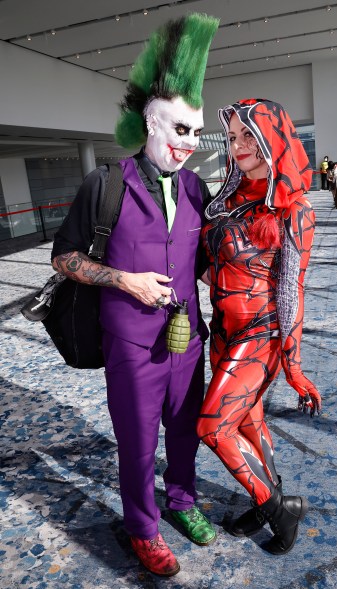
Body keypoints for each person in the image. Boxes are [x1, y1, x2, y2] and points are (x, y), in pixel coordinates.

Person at [51, 13, 219, 577]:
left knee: (185, 434)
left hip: (187, 341)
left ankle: (182, 501)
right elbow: (64, 258)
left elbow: (207, 258)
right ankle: (143, 528)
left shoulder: (196, 187)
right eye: (180, 130)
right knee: (138, 443)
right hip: (129, 346)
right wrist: (125, 280)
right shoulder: (106, 184)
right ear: (151, 124)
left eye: (196, 133)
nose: (189, 145)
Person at [197, 98, 321, 556]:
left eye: (248, 134)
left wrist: (294, 366)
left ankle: (276, 509)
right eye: (231, 137)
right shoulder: (226, 200)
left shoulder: (296, 210)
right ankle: (272, 496)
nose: (239, 145)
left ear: (273, 136)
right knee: (248, 420)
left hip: (262, 335)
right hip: (223, 330)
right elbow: (212, 261)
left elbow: (291, 291)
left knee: (212, 427)